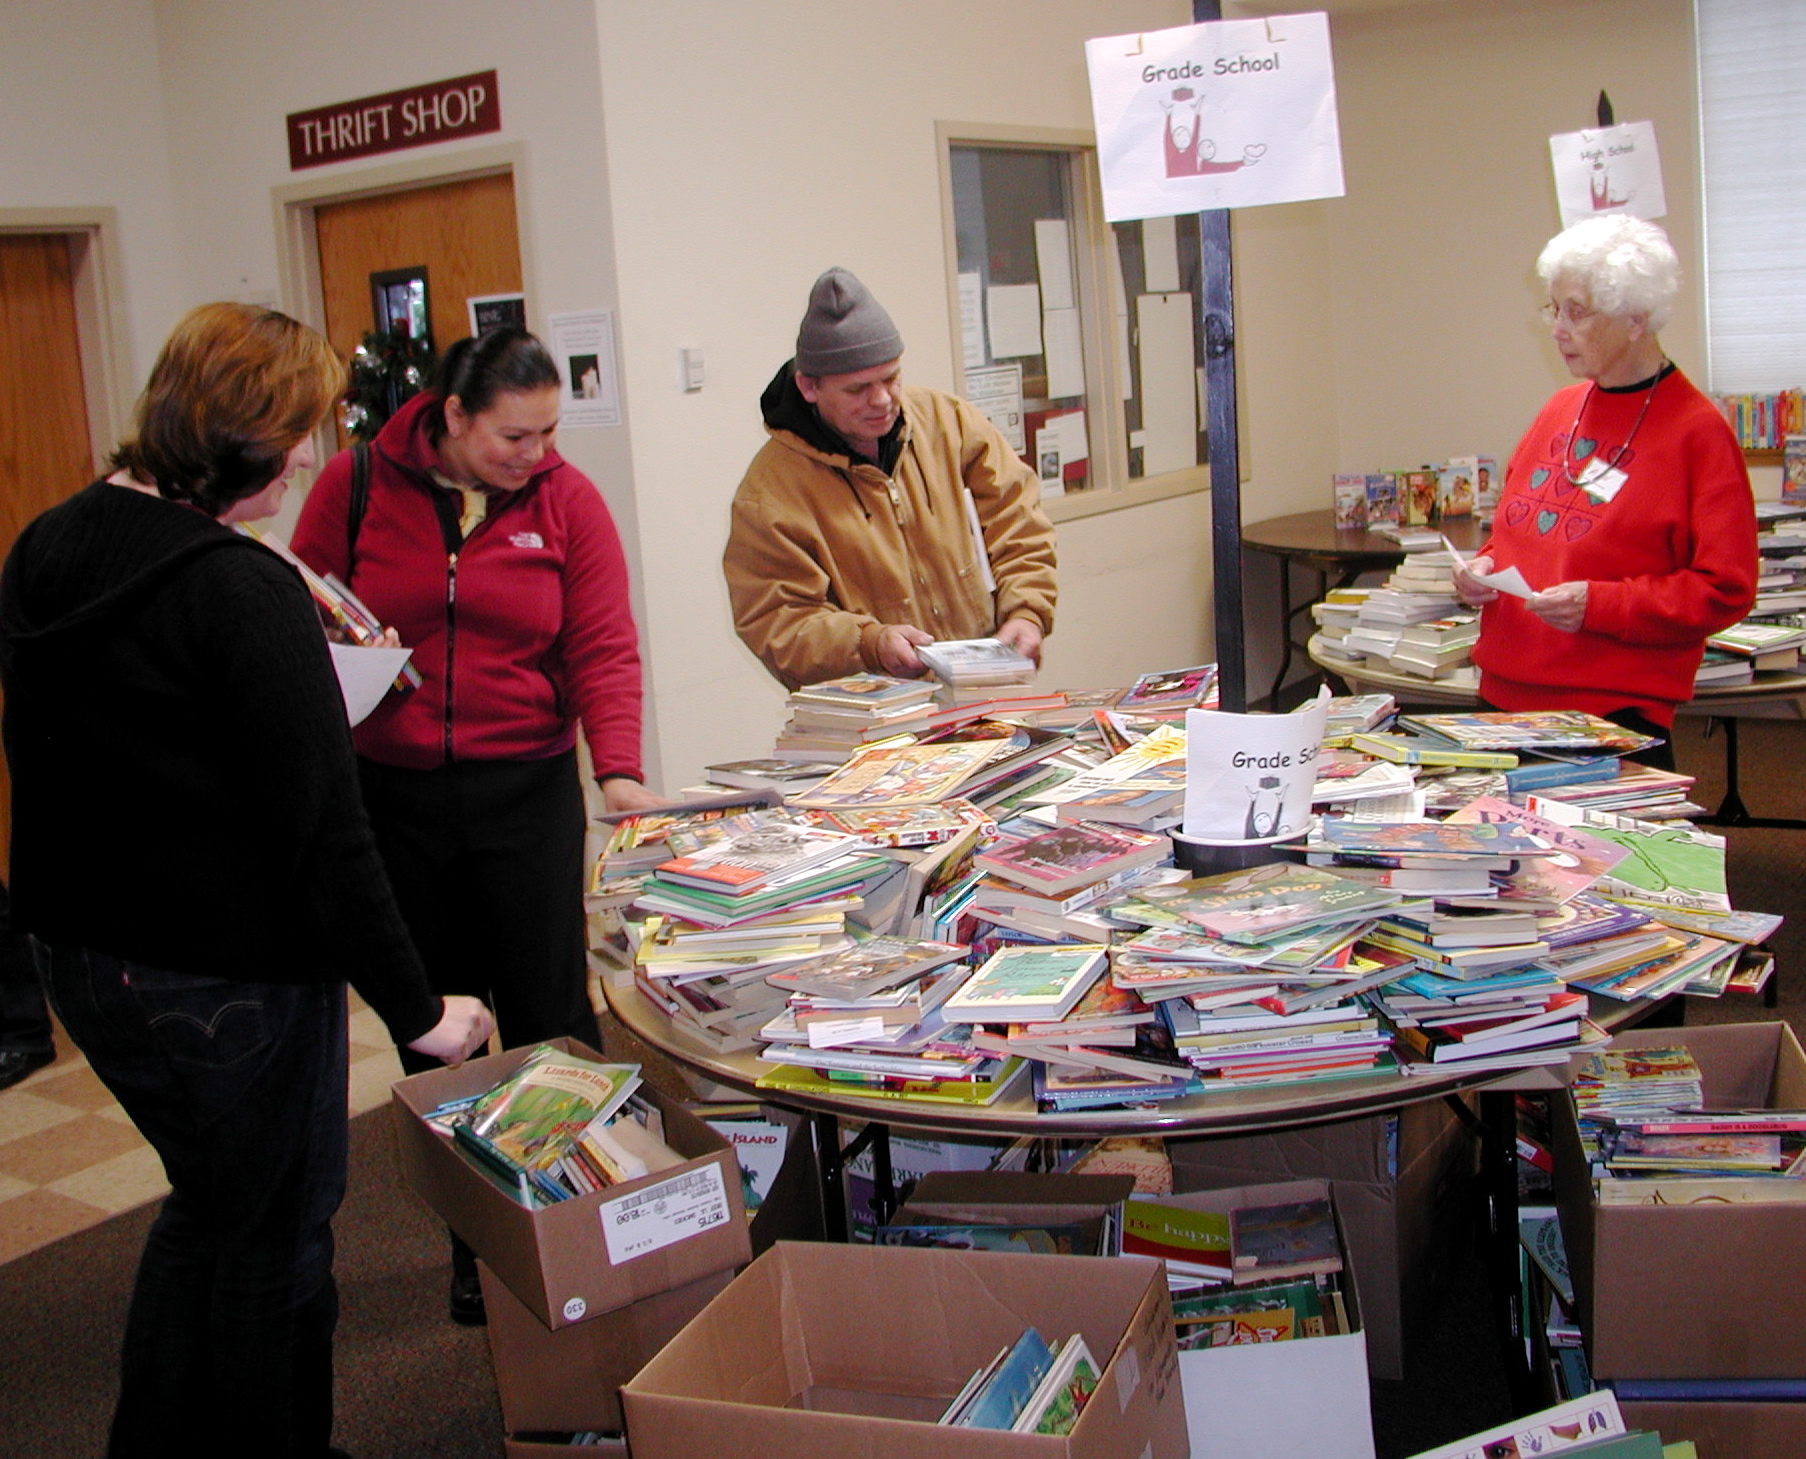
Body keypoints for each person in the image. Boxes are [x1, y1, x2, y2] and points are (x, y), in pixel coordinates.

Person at [0, 302, 494, 1459]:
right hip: (224, 973)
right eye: (301, 433)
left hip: (83, 954)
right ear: (243, 440)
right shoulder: (243, 590)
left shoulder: (49, 543)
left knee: (215, 1207)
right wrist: (420, 1010)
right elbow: (328, 837)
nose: (315, 457)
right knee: (276, 1238)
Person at [291, 327, 660, 1323]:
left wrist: (616, 770)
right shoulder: (354, 486)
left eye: (546, 432)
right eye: (512, 434)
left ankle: (578, 1216)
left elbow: (602, 640)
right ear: (451, 417)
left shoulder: (567, 502)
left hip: (525, 793)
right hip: (392, 797)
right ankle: (481, 1240)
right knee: (438, 1032)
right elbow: (299, 612)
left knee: (549, 1014)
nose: (534, 453)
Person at [1453, 215, 1758, 769]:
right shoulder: (1559, 409)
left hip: (1608, 715)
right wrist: (1481, 572)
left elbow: (1725, 588)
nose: (1557, 329)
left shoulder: (1696, 431)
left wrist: (1601, 605)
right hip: (1500, 699)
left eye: (1576, 311)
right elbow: (1516, 540)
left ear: (1635, 319)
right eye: (1554, 309)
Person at [723, 267, 1058, 689]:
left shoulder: (949, 424)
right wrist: (869, 642)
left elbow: (1019, 522)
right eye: (857, 388)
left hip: (982, 691)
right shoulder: (770, 493)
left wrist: (1026, 610)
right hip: (873, 715)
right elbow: (776, 620)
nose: (881, 400)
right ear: (809, 387)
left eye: (891, 377)